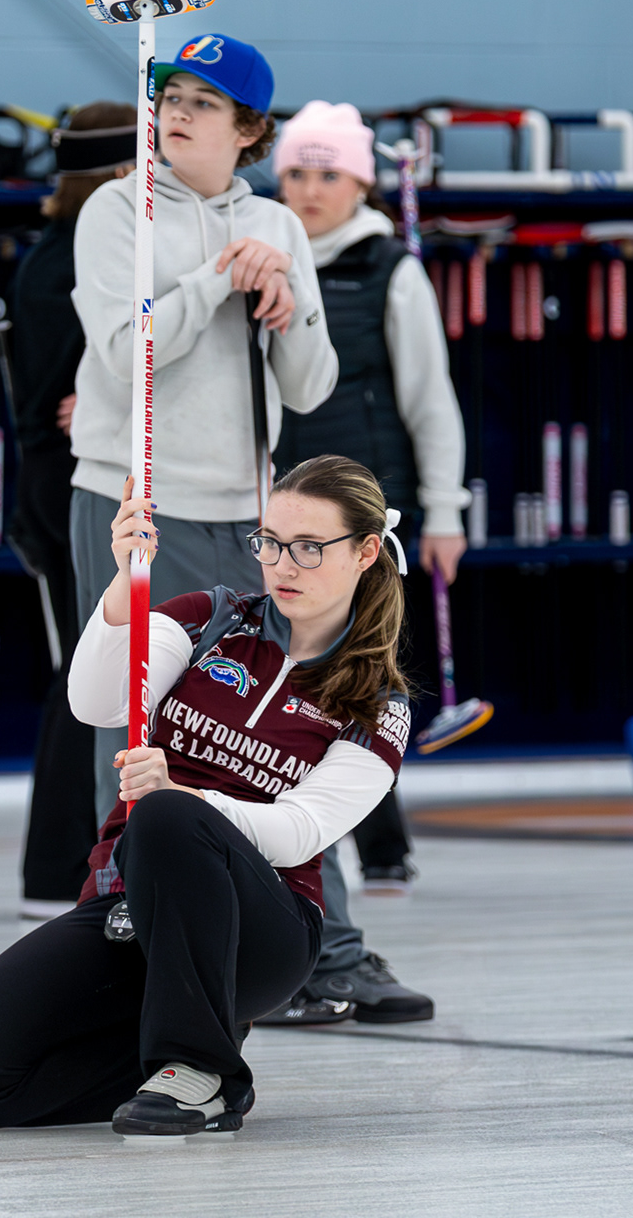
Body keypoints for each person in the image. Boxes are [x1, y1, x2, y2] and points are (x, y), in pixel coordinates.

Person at [0, 456, 414, 1135]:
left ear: (364, 552)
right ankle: (174, 1049)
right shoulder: (211, 619)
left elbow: (301, 831)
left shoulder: (379, 705)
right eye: (270, 543)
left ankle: (203, 1073)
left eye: (309, 547)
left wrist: (187, 799)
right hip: (133, 906)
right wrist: (123, 581)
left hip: (260, 934)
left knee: (167, 815)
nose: (283, 565)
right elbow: (96, 703)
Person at [67, 32, 337, 826]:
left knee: (264, 724)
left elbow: (311, 386)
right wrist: (220, 275)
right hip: (138, 508)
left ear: (250, 129)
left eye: (204, 102)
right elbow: (127, 352)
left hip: (252, 514)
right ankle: (129, 888)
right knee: (135, 721)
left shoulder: (277, 225)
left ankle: (292, 903)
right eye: (171, 98)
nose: (177, 114)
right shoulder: (119, 209)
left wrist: (287, 305)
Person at [256, 100, 473, 1026]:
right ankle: (329, 857)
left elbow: (431, 398)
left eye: (328, 174)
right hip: (279, 515)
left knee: (360, 682)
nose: (309, 190)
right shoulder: (262, 253)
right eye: (296, 172)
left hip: (367, 515)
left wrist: (446, 509)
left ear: (361, 184)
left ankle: (378, 845)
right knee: (294, 687)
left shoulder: (393, 269)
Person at [10, 102, 138, 920]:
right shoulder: (79, 260)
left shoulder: (49, 253)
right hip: (73, 480)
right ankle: (61, 865)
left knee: (89, 666)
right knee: (91, 671)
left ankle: (60, 866)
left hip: (52, 478)